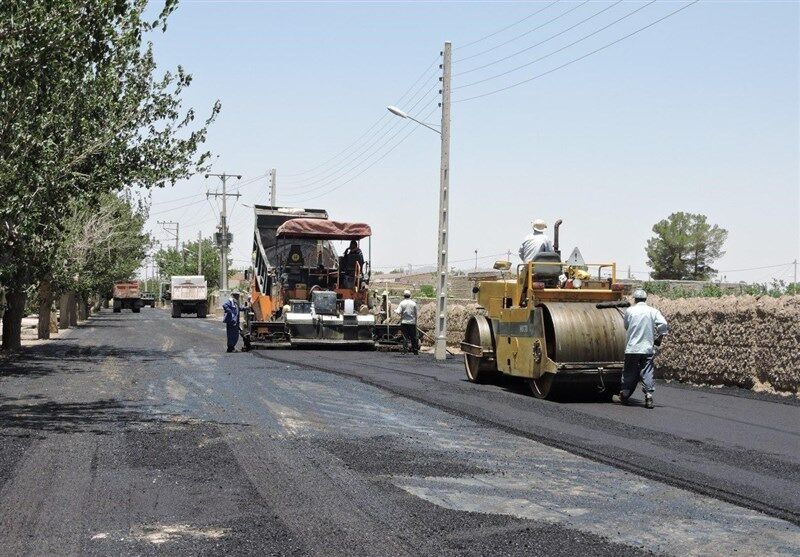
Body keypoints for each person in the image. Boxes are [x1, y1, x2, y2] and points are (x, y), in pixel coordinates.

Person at [613, 289, 668, 409]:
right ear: (645, 299)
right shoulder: (653, 311)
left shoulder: (630, 311)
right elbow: (663, 324)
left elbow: (626, 326)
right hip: (647, 348)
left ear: (635, 299)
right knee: (647, 371)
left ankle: (625, 395)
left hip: (632, 348)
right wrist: (660, 336)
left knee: (629, 372)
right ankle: (648, 395)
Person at [395, 290, 419, 355]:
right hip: (412, 323)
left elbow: (398, 312)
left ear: (404, 296)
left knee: (405, 336)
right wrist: (415, 322)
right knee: (413, 337)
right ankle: (415, 351)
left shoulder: (402, 303)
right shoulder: (413, 303)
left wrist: (395, 311)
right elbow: (416, 314)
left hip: (404, 322)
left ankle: (405, 351)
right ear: (410, 296)